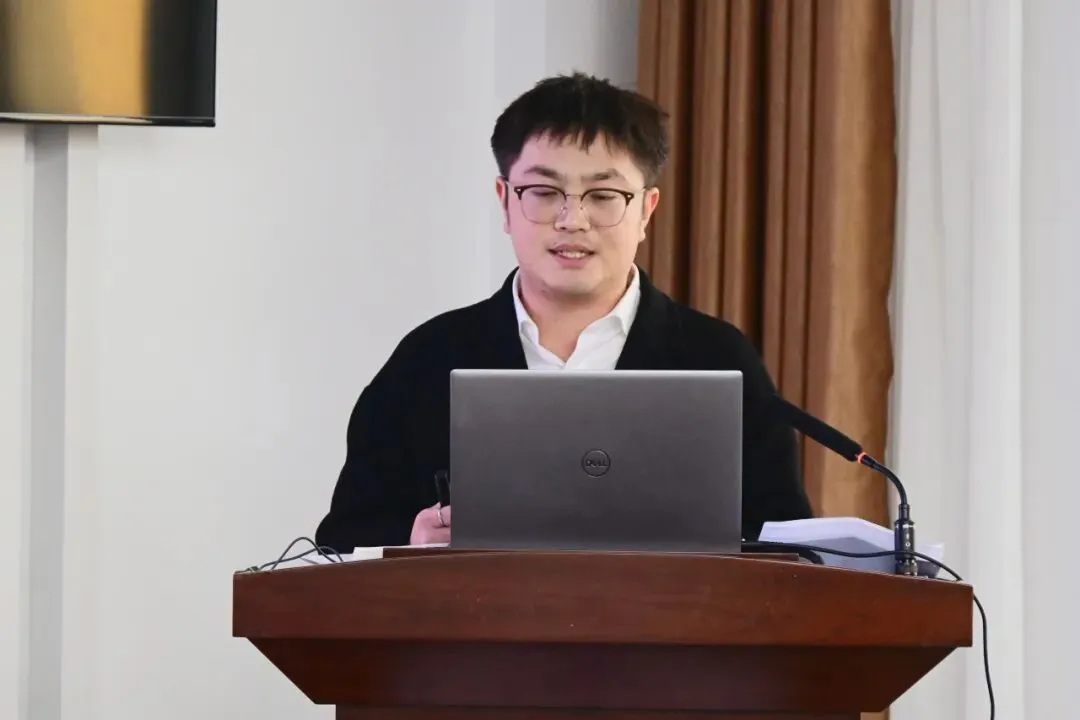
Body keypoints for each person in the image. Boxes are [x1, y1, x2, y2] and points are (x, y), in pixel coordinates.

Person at [314, 72, 813, 553]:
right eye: (544, 192)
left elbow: (787, 547)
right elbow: (342, 539)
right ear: (505, 202)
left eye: (603, 196)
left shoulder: (716, 358)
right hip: (476, 615)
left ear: (646, 210)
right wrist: (412, 539)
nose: (572, 220)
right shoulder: (429, 357)